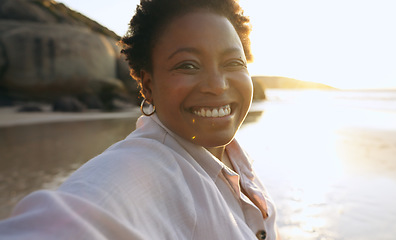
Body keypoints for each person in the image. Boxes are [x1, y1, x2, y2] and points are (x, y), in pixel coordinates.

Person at [0, 0, 279, 239]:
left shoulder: (233, 159)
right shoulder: (144, 168)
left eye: (233, 62)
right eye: (187, 65)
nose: (217, 85)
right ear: (148, 85)